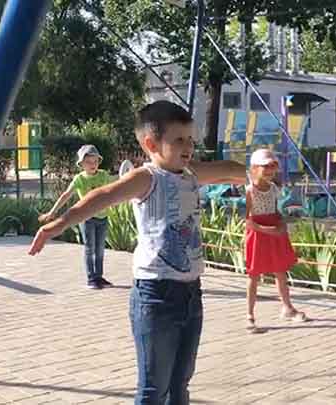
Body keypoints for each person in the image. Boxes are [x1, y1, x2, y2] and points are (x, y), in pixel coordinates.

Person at [29, 100, 246, 404]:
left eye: (190, 139)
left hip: (191, 293)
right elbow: (102, 196)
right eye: (178, 140)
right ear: (151, 144)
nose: (188, 146)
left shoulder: (190, 173)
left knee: (180, 384)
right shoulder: (147, 178)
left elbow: (226, 171)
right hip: (156, 295)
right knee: (153, 389)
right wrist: (59, 223)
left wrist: (257, 172)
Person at [245, 148, 306, 333]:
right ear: (254, 168)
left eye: (273, 166)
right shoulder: (249, 191)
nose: (270, 170)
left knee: (280, 271)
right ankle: (249, 315)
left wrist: (281, 223)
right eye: (266, 166)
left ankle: (287, 307)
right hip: (258, 235)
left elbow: (275, 210)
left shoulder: (273, 188)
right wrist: (266, 230)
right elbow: (248, 222)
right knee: (254, 275)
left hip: (274, 232)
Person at [40, 144, 115, 289]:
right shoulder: (79, 179)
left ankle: (99, 277)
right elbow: (65, 195)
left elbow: (112, 190)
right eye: (89, 162)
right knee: (90, 248)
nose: (93, 165)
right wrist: (52, 212)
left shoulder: (104, 175)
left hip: (103, 217)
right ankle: (91, 278)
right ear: (81, 164)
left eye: (95, 161)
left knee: (100, 249)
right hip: (86, 219)